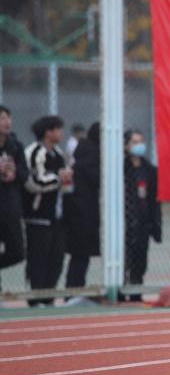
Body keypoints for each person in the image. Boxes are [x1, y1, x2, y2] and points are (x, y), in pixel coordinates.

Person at [23, 115, 70, 304]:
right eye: (57, 129)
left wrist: (65, 178)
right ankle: (35, 299)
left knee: (56, 259)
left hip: (57, 216)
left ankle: (48, 298)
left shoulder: (58, 153)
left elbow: (63, 180)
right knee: (38, 258)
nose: (61, 133)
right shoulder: (34, 152)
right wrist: (58, 178)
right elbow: (34, 182)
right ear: (48, 132)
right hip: (38, 216)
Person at [123, 129, 161, 292]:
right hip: (125, 221)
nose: (139, 146)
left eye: (141, 142)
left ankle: (136, 291)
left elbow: (154, 199)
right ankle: (121, 290)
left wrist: (155, 223)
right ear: (126, 145)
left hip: (143, 221)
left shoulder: (149, 169)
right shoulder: (121, 168)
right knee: (124, 259)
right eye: (134, 142)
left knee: (140, 260)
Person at [64, 122, 101, 289]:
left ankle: (74, 288)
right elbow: (96, 179)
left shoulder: (82, 153)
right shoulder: (92, 157)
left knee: (80, 255)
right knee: (81, 255)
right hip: (84, 212)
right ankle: (74, 289)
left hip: (79, 211)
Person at [0, 106, 29, 287]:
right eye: (2, 118)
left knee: (17, 252)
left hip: (10, 207)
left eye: (8, 118)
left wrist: (14, 172)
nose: (7, 122)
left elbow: (25, 174)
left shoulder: (16, 146)